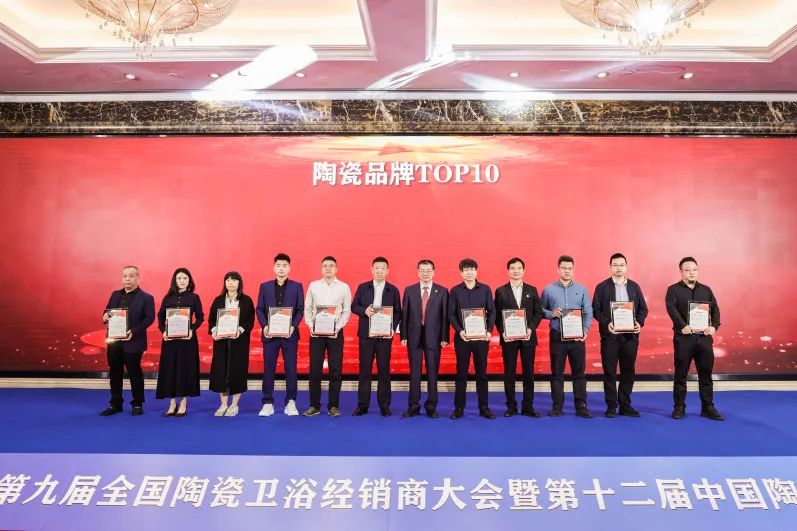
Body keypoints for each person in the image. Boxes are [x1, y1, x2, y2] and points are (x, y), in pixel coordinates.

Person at [665, 256, 724, 421]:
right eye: (687, 270)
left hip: (704, 338)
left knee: (706, 374)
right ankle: (679, 407)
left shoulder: (706, 290)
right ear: (681, 272)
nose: (691, 272)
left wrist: (714, 326)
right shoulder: (673, 290)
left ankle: (708, 407)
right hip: (684, 338)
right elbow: (671, 309)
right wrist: (682, 325)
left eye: (694, 269)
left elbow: (715, 309)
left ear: (698, 271)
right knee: (681, 374)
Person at [592, 253, 649, 418]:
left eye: (621, 265)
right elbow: (596, 310)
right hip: (610, 337)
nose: (619, 268)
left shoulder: (634, 287)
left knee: (628, 371)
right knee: (609, 372)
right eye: (615, 265)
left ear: (626, 267)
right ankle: (611, 406)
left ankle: (625, 405)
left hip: (630, 338)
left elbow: (643, 309)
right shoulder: (602, 287)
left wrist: (639, 322)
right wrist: (606, 323)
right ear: (610, 267)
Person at [540, 255, 594, 418]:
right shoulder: (548, 289)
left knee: (579, 373)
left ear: (573, 269)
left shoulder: (582, 289)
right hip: (557, 336)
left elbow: (588, 311)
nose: (567, 271)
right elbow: (539, 310)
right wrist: (551, 313)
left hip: (577, 337)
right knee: (557, 373)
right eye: (564, 268)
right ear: (558, 269)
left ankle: (581, 406)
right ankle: (557, 406)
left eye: (570, 268)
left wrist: (585, 330)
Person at [100, 265, 155, 416]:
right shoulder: (115, 295)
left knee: (134, 373)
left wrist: (134, 331)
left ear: (138, 278)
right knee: (115, 373)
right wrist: (104, 316)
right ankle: (115, 404)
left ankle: (137, 403)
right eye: (124, 276)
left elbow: (149, 318)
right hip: (114, 341)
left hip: (133, 341)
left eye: (131, 276)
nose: (127, 279)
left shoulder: (146, 298)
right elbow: (108, 311)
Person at [351, 257, 402, 417]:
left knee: (384, 370)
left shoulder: (393, 290)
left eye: (383, 268)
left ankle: (384, 406)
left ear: (387, 271)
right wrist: (364, 311)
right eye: (377, 268)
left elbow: (398, 312)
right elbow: (354, 306)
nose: (379, 271)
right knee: (365, 370)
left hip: (384, 337)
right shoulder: (363, 287)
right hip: (366, 335)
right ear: (372, 270)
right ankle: (362, 405)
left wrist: (392, 328)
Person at [255, 253, 304, 417]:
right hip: (270, 335)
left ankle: (291, 402)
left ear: (289, 268)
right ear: (273, 268)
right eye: (278, 265)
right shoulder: (265, 286)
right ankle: (267, 402)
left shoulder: (297, 286)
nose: (281, 268)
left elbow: (300, 310)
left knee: (291, 369)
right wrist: (265, 326)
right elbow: (259, 309)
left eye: (284, 265)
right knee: (268, 369)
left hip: (290, 335)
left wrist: (293, 326)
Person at [494, 257, 543, 418]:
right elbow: (496, 315)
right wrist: (503, 332)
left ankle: (528, 406)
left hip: (528, 337)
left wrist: (530, 328)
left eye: (519, 268)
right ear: (508, 271)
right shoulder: (500, 291)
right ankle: (511, 407)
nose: (516, 271)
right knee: (509, 373)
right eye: (513, 268)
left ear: (523, 270)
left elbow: (538, 313)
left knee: (529, 373)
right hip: (509, 338)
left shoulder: (532, 290)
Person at [303, 256, 352, 417]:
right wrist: (311, 325)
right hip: (316, 333)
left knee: (335, 370)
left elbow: (346, 311)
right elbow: (307, 308)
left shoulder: (344, 287)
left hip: (335, 333)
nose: (328, 268)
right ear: (321, 269)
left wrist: (337, 327)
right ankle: (314, 406)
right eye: (325, 266)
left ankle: (333, 406)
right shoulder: (313, 286)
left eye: (331, 266)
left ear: (336, 269)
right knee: (315, 370)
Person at [400, 259, 449, 418]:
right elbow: (405, 314)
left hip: (434, 337)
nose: (425, 273)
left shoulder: (442, 291)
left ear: (433, 272)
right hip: (413, 336)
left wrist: (445, 337)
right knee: (414, 373)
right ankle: (413, 406)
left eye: (428, 270)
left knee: (432, 373)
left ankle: (431, 406)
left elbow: (445, 316)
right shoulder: (409, 290)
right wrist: (404, 335)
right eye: (422, 270)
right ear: (418, 272)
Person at [448, 258, 496, 420]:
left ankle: (484, 408)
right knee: (461, 373)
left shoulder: (485, 289)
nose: (469, 272)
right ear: (461, 273)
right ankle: (458, 408)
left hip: (481, 339)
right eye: (466, 270)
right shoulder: (455, 291)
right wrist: (460, 330)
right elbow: (451, 314)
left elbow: (492, 311)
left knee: (482, 374)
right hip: (462, 338)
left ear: (476, 271)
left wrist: (489, 330)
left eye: (472, 269)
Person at [156, 267, 204, 417]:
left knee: (184, 369)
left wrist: (192, 330)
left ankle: (183, 402)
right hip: (170, 341)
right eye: (179, 278)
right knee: (170, 369)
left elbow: (200, 317)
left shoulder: (194, 297)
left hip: (187, 340)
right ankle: (172, 403)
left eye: (185, 278)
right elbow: (160, 316)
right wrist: (163, 331)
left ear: (189, 281)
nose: (182, 281)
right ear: (174, 281)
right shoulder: (167, 298)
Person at [208, 271, 255, 417]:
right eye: (228, 280)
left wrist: (239, 330)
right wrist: (214, 331)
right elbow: (211, 320)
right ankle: (223, 404)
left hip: (239, 342)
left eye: (234, 280)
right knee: (221, 371)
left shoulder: (246, 300)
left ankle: (234, 405)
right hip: (221, 342)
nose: (231, 283)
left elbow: (250, 321)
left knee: (237, 371)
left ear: (239, 283)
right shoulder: (218, 300)